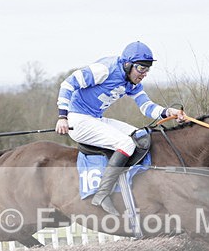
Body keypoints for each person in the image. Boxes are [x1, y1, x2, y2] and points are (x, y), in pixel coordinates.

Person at [56, 41, 185, 215]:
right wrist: (62, 117)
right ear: (127, 64)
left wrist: (169, 112)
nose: (144, 74)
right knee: (126, 144)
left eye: (147, 69)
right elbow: (67, 85)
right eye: (141, 68)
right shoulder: (104, 69)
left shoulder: (132, 82)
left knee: (140, 136)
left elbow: (146, 106)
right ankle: (102, 194)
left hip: (95, 119)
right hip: (78, 120)